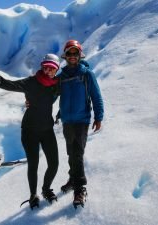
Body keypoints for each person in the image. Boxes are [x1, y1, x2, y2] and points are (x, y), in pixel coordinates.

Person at [0, 54, 60, 210]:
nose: (48, 71)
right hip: (29, 130)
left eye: (52, 68)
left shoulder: (57, 85)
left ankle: (46, 190)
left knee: (54, 164)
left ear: (56, 70)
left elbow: (71, 85)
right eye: (45, 67)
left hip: (47, 130)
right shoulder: (31, 82)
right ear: (42, 66)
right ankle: (33, 195)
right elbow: (5, 84)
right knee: (33, 164)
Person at [58, 40, 104, 208]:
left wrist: (98, 117)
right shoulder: (61, 76)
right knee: (71, 153)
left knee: (77, 153)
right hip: (67, 121)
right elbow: (50, 94)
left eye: (74, 53)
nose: (72, 56)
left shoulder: (87, 74)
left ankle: (80, 188)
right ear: (65, 56)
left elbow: (96, 96)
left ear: (79, 55)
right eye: (69, 53)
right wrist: (32, 102)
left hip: (82, 120)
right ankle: (72, 178)